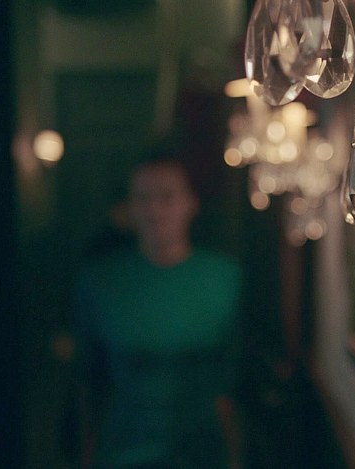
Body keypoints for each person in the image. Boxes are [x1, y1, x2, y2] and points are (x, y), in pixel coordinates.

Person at [73, 156, 243, 469]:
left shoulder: (224, 278)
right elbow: (89, 381)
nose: (154, 210)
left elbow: (231, 382)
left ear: (191, 203)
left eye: (166, 197)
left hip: (201, 450)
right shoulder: (101, 280)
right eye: (142, 198)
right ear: (129, 207)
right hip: (124, 449)